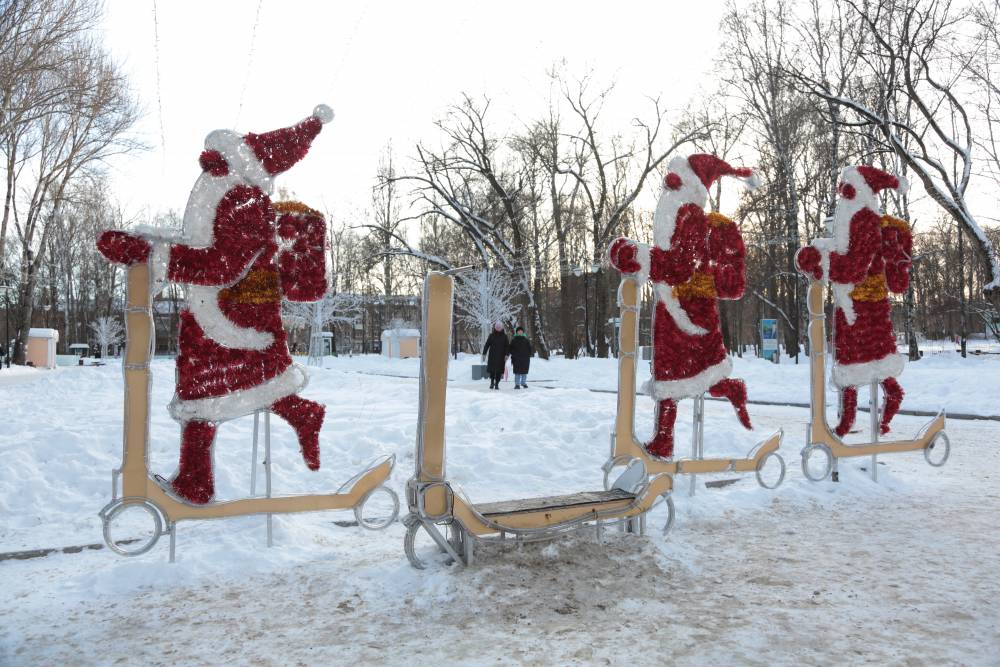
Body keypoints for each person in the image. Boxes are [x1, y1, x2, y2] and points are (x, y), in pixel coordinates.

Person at [481, 321, 509, 390]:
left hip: (501, 356)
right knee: (492, 370)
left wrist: (507, 354)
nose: (498, 328)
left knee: (499, 371)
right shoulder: (491, 335)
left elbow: (507, 346)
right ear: (495, 328)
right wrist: (484, 353)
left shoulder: (505, 336)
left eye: (500, 327)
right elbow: (487, 344)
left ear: (502, 328)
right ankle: (492, 382)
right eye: (497, 327)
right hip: (492, 356)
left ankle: (496, 384)